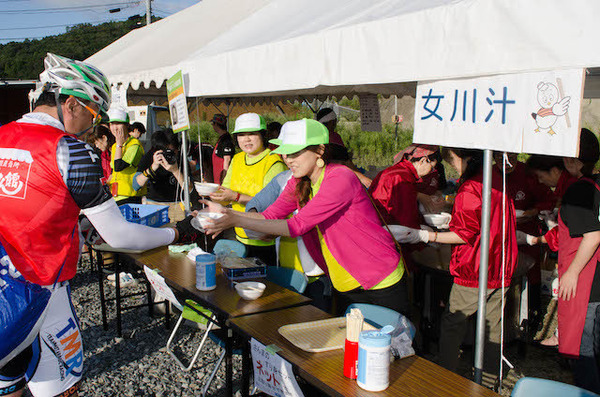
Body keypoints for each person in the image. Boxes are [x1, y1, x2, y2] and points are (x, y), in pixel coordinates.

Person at [0, 53, 198, 397]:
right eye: (93, 113)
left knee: (8, 378)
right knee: (60, 387)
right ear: (72, 104)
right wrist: (178, 233)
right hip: (43, 291)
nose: (94, 125)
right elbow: (119, 234)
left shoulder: (3, 134)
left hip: (5, 285)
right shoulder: (71, 151)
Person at [204, 119, 409, 316]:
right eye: (285, 153)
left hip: (379, 275)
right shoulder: (299, 182)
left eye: (295, 152)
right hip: (344, 279)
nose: (288, 159)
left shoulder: (340, 177)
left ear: (320, 150)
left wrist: (236, 218)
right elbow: (269, 216)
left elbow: (297, 225)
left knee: (392, 347)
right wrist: (225, 214)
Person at [397, 147, 517, 387]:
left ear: (466, 159)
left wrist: (426, 236)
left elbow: (464, 234)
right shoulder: (496, 176)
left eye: (453, 162)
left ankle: (445, 378)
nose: (453, 168)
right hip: (501, 261)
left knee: (453, 323)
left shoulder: (472, 186)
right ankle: (491, 381)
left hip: (475, 265)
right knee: (494, 325)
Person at [526, 129, 600, 393]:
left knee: (583, 348)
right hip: (595, 278)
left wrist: (571, 274)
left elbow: (592, 236)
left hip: (586, 282)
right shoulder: (595, 183)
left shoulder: (578, 191)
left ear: (571, 161)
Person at [209, 113, 287, 265]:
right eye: (242, 135)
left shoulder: (274, 163)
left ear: (263, 135)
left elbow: (275, 206)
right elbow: (226, 192)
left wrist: (236, 197)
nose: (246, 139)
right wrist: (214, 195)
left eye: (252, 134)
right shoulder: (237, 159)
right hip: (238, 236)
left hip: (266, 240)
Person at [493, 151, 555, 330]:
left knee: (531, 270)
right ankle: (504, 312)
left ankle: (532, 315)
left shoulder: (527, 173)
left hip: (527, 230)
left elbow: (548, 199)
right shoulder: (488, 174)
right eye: (500, 159)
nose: (506, 163)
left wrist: (533, 212)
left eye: (511, 158)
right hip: (499, 232)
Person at [368, 144, 439, 270]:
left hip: (378, 234)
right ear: (423, 160)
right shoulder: (402, 179)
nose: (431, 172)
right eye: (432, 168)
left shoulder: (396, 171)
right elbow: (406, 222)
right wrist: (427, 238)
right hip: (389, 242)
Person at [316, 107, 373, 187]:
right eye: (335, 122)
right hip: (335, 180)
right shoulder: (333, 137)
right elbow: (344, 161)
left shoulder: (315, 137)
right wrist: (363, 178)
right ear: (331, 122)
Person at [107, 106, 145, 204]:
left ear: (127, 125)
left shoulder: (134, 145)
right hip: (115, 195)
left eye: (118, 123)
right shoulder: (115, 145)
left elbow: (119, 166)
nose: (115, 128)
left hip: (130, 195)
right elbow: (113, 170)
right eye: (112, 124)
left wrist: (119, 144)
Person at [210, 114, 234, 184]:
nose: (213, 126)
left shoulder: (226, 140)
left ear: (217, 124)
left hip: (222, 180)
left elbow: (227, 160)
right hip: (217, 179)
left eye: (213, 124)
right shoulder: (221, 138)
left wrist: (224, 180)